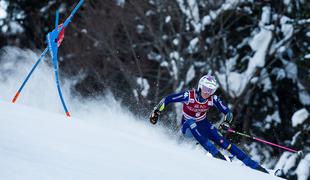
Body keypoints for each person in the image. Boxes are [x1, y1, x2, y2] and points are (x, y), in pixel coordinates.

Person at [149, 75, 268, 174]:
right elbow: (168, 99)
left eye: (210, 90)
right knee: (191, 122)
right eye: (205, 88)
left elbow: (228, 113)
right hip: (187, 128)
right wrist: (156, 111)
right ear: (200, 87)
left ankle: (254, 166)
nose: (207, 92)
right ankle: (217, 156)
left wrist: (226, 123)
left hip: (203, 125)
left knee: (222, 141)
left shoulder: (213, 99)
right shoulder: (189, 96)